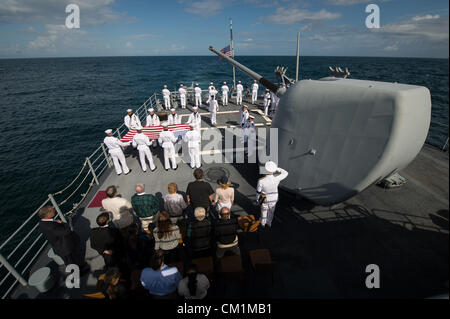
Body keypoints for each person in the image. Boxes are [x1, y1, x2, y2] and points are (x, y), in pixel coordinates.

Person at [256, 161, 289, 227]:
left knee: (264, 211)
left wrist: (257, 199)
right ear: (273, 170)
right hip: (274, 198)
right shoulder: (277, 177)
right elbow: (286, 173)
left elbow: (258, 192)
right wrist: (276, 168)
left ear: (265, 170)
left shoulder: (261, 180)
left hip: (264, 199)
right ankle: (269, 222)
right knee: (271, 211)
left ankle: (263, 222)